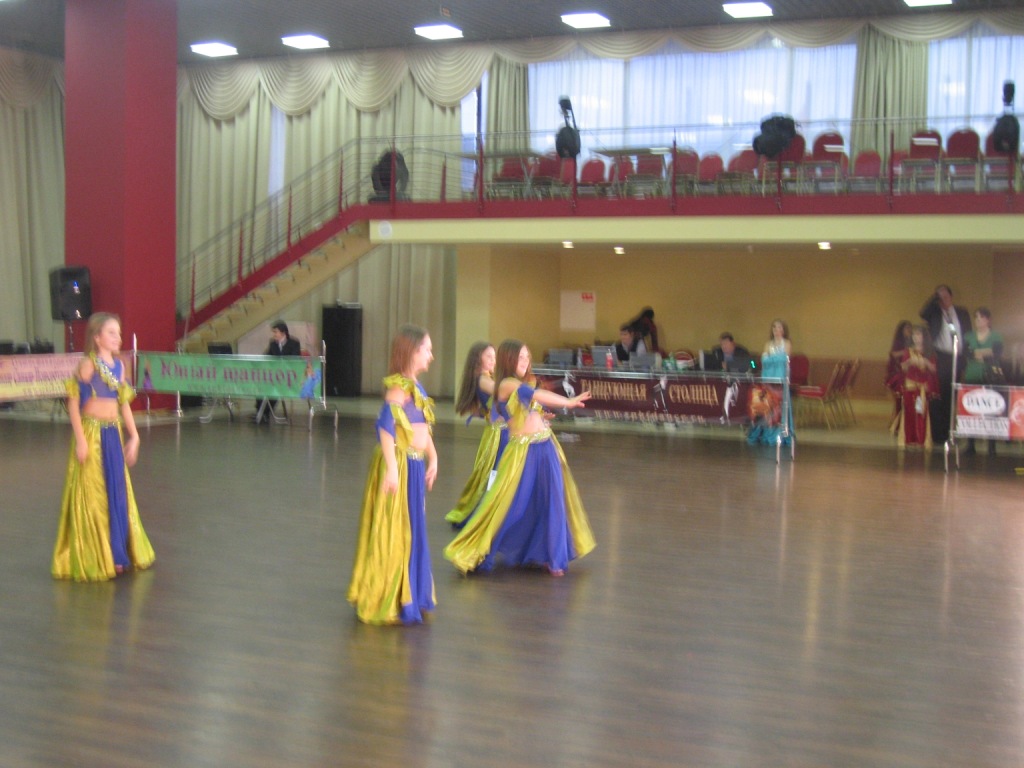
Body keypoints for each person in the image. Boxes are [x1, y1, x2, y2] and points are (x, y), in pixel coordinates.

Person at [444, 339, 596, 577]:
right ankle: (475, 550)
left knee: (551, 502)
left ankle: (553, 558)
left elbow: (527, 406)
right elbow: (536, 394)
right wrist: (568, 401)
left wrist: (540, 416)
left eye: (527, 356)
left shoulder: (518, 384)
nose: (526, 361)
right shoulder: (506, 383)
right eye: (520, 357)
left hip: (545, 446)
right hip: (523, 452)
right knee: (509, 504)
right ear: (509, 359)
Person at [52, 312, 155, 582]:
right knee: (95, 495)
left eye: (119, 333)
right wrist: (81, 440)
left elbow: (123, 404)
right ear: (97, 338)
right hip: (92, 434)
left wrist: (134, 436)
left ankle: (117, 552)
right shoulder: (88, 365)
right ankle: (97, 553)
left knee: (117, 492)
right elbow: (73, 403)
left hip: (113, 434)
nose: (117, 337)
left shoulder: (120, 366)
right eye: (111, 333)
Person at [347, 324, 437, 625]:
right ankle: (391, 595)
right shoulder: (399, 388)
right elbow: (386, 427)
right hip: (400, 463)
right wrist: (392, 468)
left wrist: (433, 456)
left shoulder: (415, 386)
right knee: (396, 532)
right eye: (427, 349)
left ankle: (408, 592)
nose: (431, 355)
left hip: (414, 463)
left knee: (412, 529)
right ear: (412, 352)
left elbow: (422, 427)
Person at [445, 342, 507, 528]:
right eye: (489, 356)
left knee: (495, 473)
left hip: (500, 432)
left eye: (494, 357)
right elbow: (504, 392)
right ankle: (486, 514)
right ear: (477, 359)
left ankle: (491, 512)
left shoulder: (485, 379)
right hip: (499, 435)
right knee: (496, 473)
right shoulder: (483, 380)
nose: (493, 360)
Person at [919, 285, 971, 444]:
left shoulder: (961, 312)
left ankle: (949, 432)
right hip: (940, 357)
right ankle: (938, 433)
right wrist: (934, 298)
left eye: (946, 296)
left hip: (957, 357)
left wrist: (967, 357)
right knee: (938, 395)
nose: (944, 300)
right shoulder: (934, 313)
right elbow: (922, 313)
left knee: (952, 396)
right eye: (940, 298)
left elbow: (968, 333)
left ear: (951, 296)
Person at [963, 307, 1005, 456]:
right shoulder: (968, 336)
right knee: (971, 409)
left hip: (990, 376)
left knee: (991, 410)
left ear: (988, 320)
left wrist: (978, 354)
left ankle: (991, 446)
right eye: (976, 318)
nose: (978, 320)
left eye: (981, 317)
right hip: (972, 374)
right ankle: (970, 444)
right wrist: (986, 352)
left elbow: (997, 352)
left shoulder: (996, 336)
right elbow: (966, 353)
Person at [749, 319, 793, 445]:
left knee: (779, 405)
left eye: (779, 328)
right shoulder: (768, 344)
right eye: (774, 328)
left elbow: (784, 358)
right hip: (768, 377)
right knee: (766, 405)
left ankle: (779, 433)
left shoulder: (787, 343)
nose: (777, 330)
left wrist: (770, 358)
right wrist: (772, 358)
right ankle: (765, 431)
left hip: (780, 378)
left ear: (783, 330)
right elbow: (764, 360)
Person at [895, 325, 940, 449]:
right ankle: (909, 438)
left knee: (921, 412)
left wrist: (926, 362)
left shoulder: (929, 352)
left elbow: (934, 369)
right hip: (910, 385)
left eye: (919, 335)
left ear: (924, 337)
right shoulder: (908, 352)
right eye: (914, 335)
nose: (916, 337)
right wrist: (909, 362)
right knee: (909, 411)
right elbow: (903, 367)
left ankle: (921, 439)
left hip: (923, 387)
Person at [254, 320, 302, 423]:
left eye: (276, 332)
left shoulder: (294, 343)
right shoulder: (273, 343)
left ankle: (265, 413)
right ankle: (259, 411)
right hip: (274, 375)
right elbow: (267, 356)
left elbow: (294, 360)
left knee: (275, 388)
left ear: (283, 332)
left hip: (288, 377)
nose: (274, 334)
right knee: (261, 384)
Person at [885, 320, 914, 433]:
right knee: (900, 400)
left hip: (909, 376)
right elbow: (894, 354)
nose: (909, 331)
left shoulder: (912, 342)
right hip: (898, 377)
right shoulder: (899, 343)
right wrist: (908, 352)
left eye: (910, 329)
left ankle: (904, 424)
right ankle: (897, 425)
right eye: (907, 329)